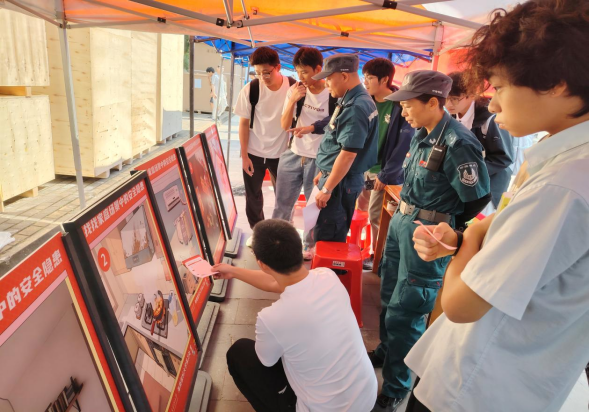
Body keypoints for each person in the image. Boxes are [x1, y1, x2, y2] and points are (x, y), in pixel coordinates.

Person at [407, 0, 589, 411]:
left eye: (500, 87)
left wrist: (470, 236)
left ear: (557, 83)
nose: (492, 103)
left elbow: (460, 305)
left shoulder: (564, 185)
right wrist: (464, 240)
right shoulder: (561, 163)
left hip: (478, 384)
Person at [370, 70, 491, 412]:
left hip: (426, 232)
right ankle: (386, 352)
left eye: (408, 105)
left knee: (408, 309)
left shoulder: (458, 142)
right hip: (402, 221)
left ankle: (396, 387)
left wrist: (446, 226)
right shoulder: (422, 133)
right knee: (388, 294)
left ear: (433, 103)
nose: (403, 111)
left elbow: (477, 197)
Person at [215, 219, 378, 412]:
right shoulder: (327, 276)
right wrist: (233, 271)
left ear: (262, 264)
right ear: (299, 248)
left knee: (240, 352)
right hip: (366, 396)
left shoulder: (271, 318)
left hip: (324, 409)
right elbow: (277, 282)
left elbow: (267, 361)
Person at [311, 54, 379, 243]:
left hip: (340, 183)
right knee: (326, 233)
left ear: (344, 76)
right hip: (337, 178)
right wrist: (323, 172)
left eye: (329, 78)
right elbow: (336, 142)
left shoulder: (356, 106)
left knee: (328, 238)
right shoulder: (352, 99)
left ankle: (326, 264)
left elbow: (348, 154)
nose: (326, 84)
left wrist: (327, 188)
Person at [273, 47, 332, 260]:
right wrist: (292, 100)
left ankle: (309, 245)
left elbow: (333, 126)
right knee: (282, 202)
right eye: (298, 71)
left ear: (318, 69)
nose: (301, 76)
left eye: (305, 72)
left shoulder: (332, 94)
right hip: (293, 153)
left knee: (312, 206)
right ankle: (277, 242)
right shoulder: (296, 90)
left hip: (319, 158)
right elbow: (284, 125)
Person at [357, 58, 414, 270]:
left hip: (382, 172)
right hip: (362, 169)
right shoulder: (365, 101)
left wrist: (386, 174)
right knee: (361, 210)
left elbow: (403, 144)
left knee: (376, 216)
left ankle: (377, 256)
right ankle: (363, 247)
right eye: (364, 77)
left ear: (384, 80)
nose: (365, 82)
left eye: (370, 78)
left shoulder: (399, 105)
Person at [234, 47, 293, 229]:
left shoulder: (292, 87)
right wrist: (244, 156)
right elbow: (244, 124)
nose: (262, 78)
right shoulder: (250, 89)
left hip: (282, 154)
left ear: (278, 67)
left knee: (283, 197)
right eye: (258, 73)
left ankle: (281, 231)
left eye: (266, 72)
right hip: (254, 152)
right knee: (253, 196)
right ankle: (257, 231)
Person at [446, 71, 515, 209]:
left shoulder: (490, 119)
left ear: (472, 94)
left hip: (489, 188)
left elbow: (503, 158)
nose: (448, 104)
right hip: (462, 186)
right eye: (445, 98)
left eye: (454, 99)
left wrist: (469, 172)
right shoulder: (451, 117)